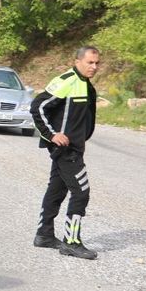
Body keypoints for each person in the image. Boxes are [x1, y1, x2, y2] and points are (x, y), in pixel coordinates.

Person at [30, 47, 101, 259]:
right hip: (65, 149)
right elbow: (38, 107)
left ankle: (44, 235)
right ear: (78, 61)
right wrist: (52, 135)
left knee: (57, 190)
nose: (94, 67)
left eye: (97, 63)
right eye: (90, 62)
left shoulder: (85, 85)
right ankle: (71, 242)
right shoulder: (67, 81)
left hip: (75, 147)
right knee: (81, 192)